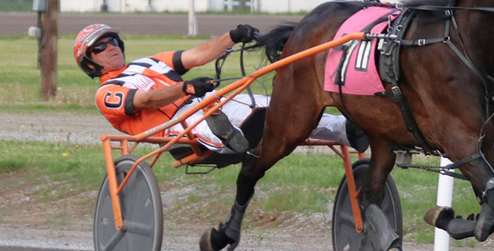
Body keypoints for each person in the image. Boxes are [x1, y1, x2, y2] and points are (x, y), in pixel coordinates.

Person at [73, 24, 369, 155]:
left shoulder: (149, 63)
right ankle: (232, 136)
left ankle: (349, 129)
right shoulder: (107, 92)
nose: (111, 47)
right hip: (176, 128)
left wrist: (232, 36)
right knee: (206, 116)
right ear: (90, 63)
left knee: (278, 106)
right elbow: (147, 99)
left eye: (113, 41)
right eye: (101, 47)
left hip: (207, 102)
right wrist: (185, 88)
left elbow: (197, 55)